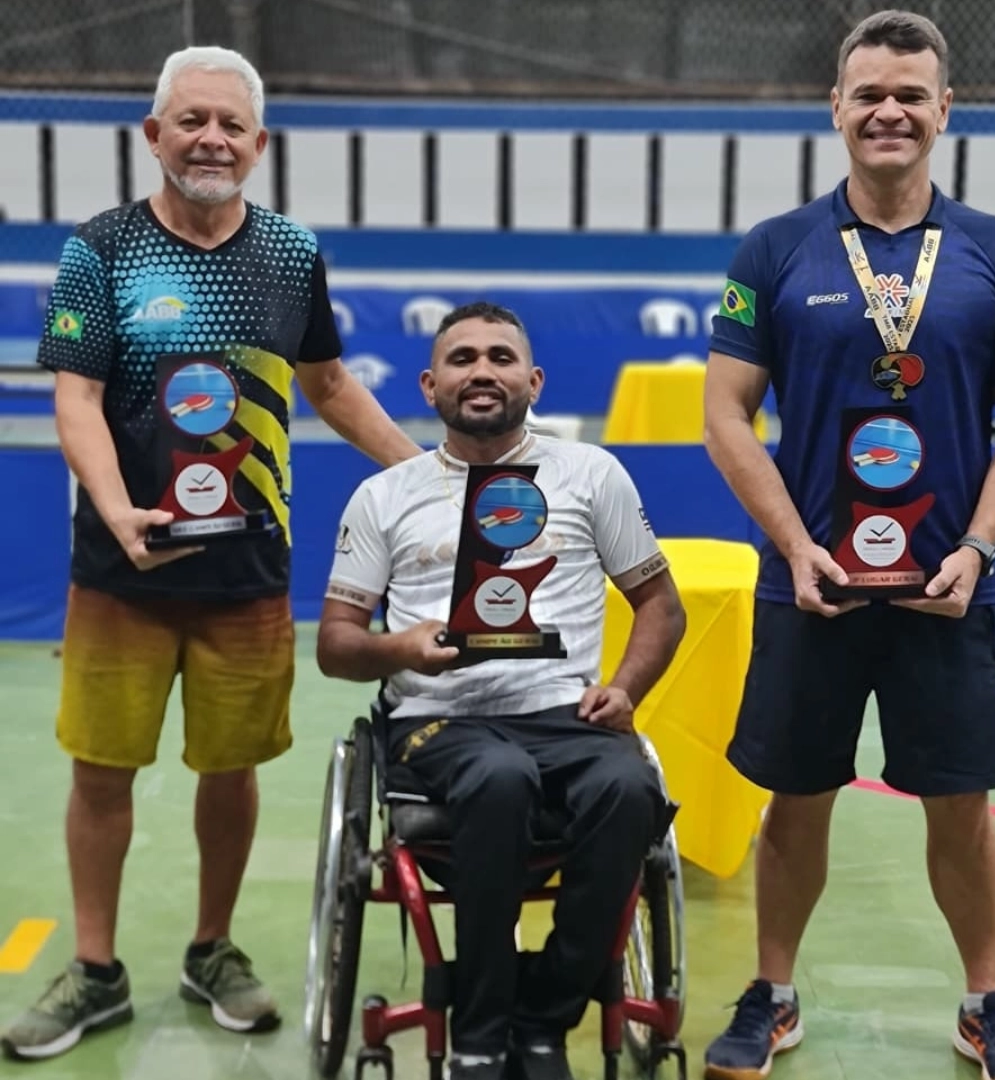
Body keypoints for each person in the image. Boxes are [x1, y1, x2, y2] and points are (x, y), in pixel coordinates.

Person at [0, 45, 420, 1062]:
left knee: (229, 771)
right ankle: (97, 971)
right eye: (191, 121)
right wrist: (115, 505)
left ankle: (211, 948)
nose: (211, 139)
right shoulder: (98, 250)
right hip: (122, 573)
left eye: (231, 124)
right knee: (102, 770)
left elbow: (327, 387)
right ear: (154, 135)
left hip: (247, 575)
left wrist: (428, 476)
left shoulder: (288, 252)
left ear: (260, 144)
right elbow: (78, 395)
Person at [701, 10, 995, 1080]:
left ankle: (984, 1004)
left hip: (946, 587)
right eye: (870, 94)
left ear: (945, 111)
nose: (889, 111)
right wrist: (794, 546)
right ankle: (772, 993)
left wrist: (982, 548)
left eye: (910, 94)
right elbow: (726, 413)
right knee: (795, 797)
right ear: (837, 111)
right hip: (810, 587)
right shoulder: (774, 250)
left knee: (962, 804)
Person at [317, 301, 686, 1080]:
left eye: (499, 357)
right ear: (428, 385)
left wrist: (624, 690)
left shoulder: (591, 475)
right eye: (461, 359)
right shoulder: (387, 496)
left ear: (534, 380)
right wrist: (402, 646)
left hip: (564, 713)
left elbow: (662, 607)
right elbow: (336, 646)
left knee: (629, 787)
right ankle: (481, 1032)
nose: (481, 371)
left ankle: (543, 1014)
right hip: (436, 723)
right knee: (498, 777)